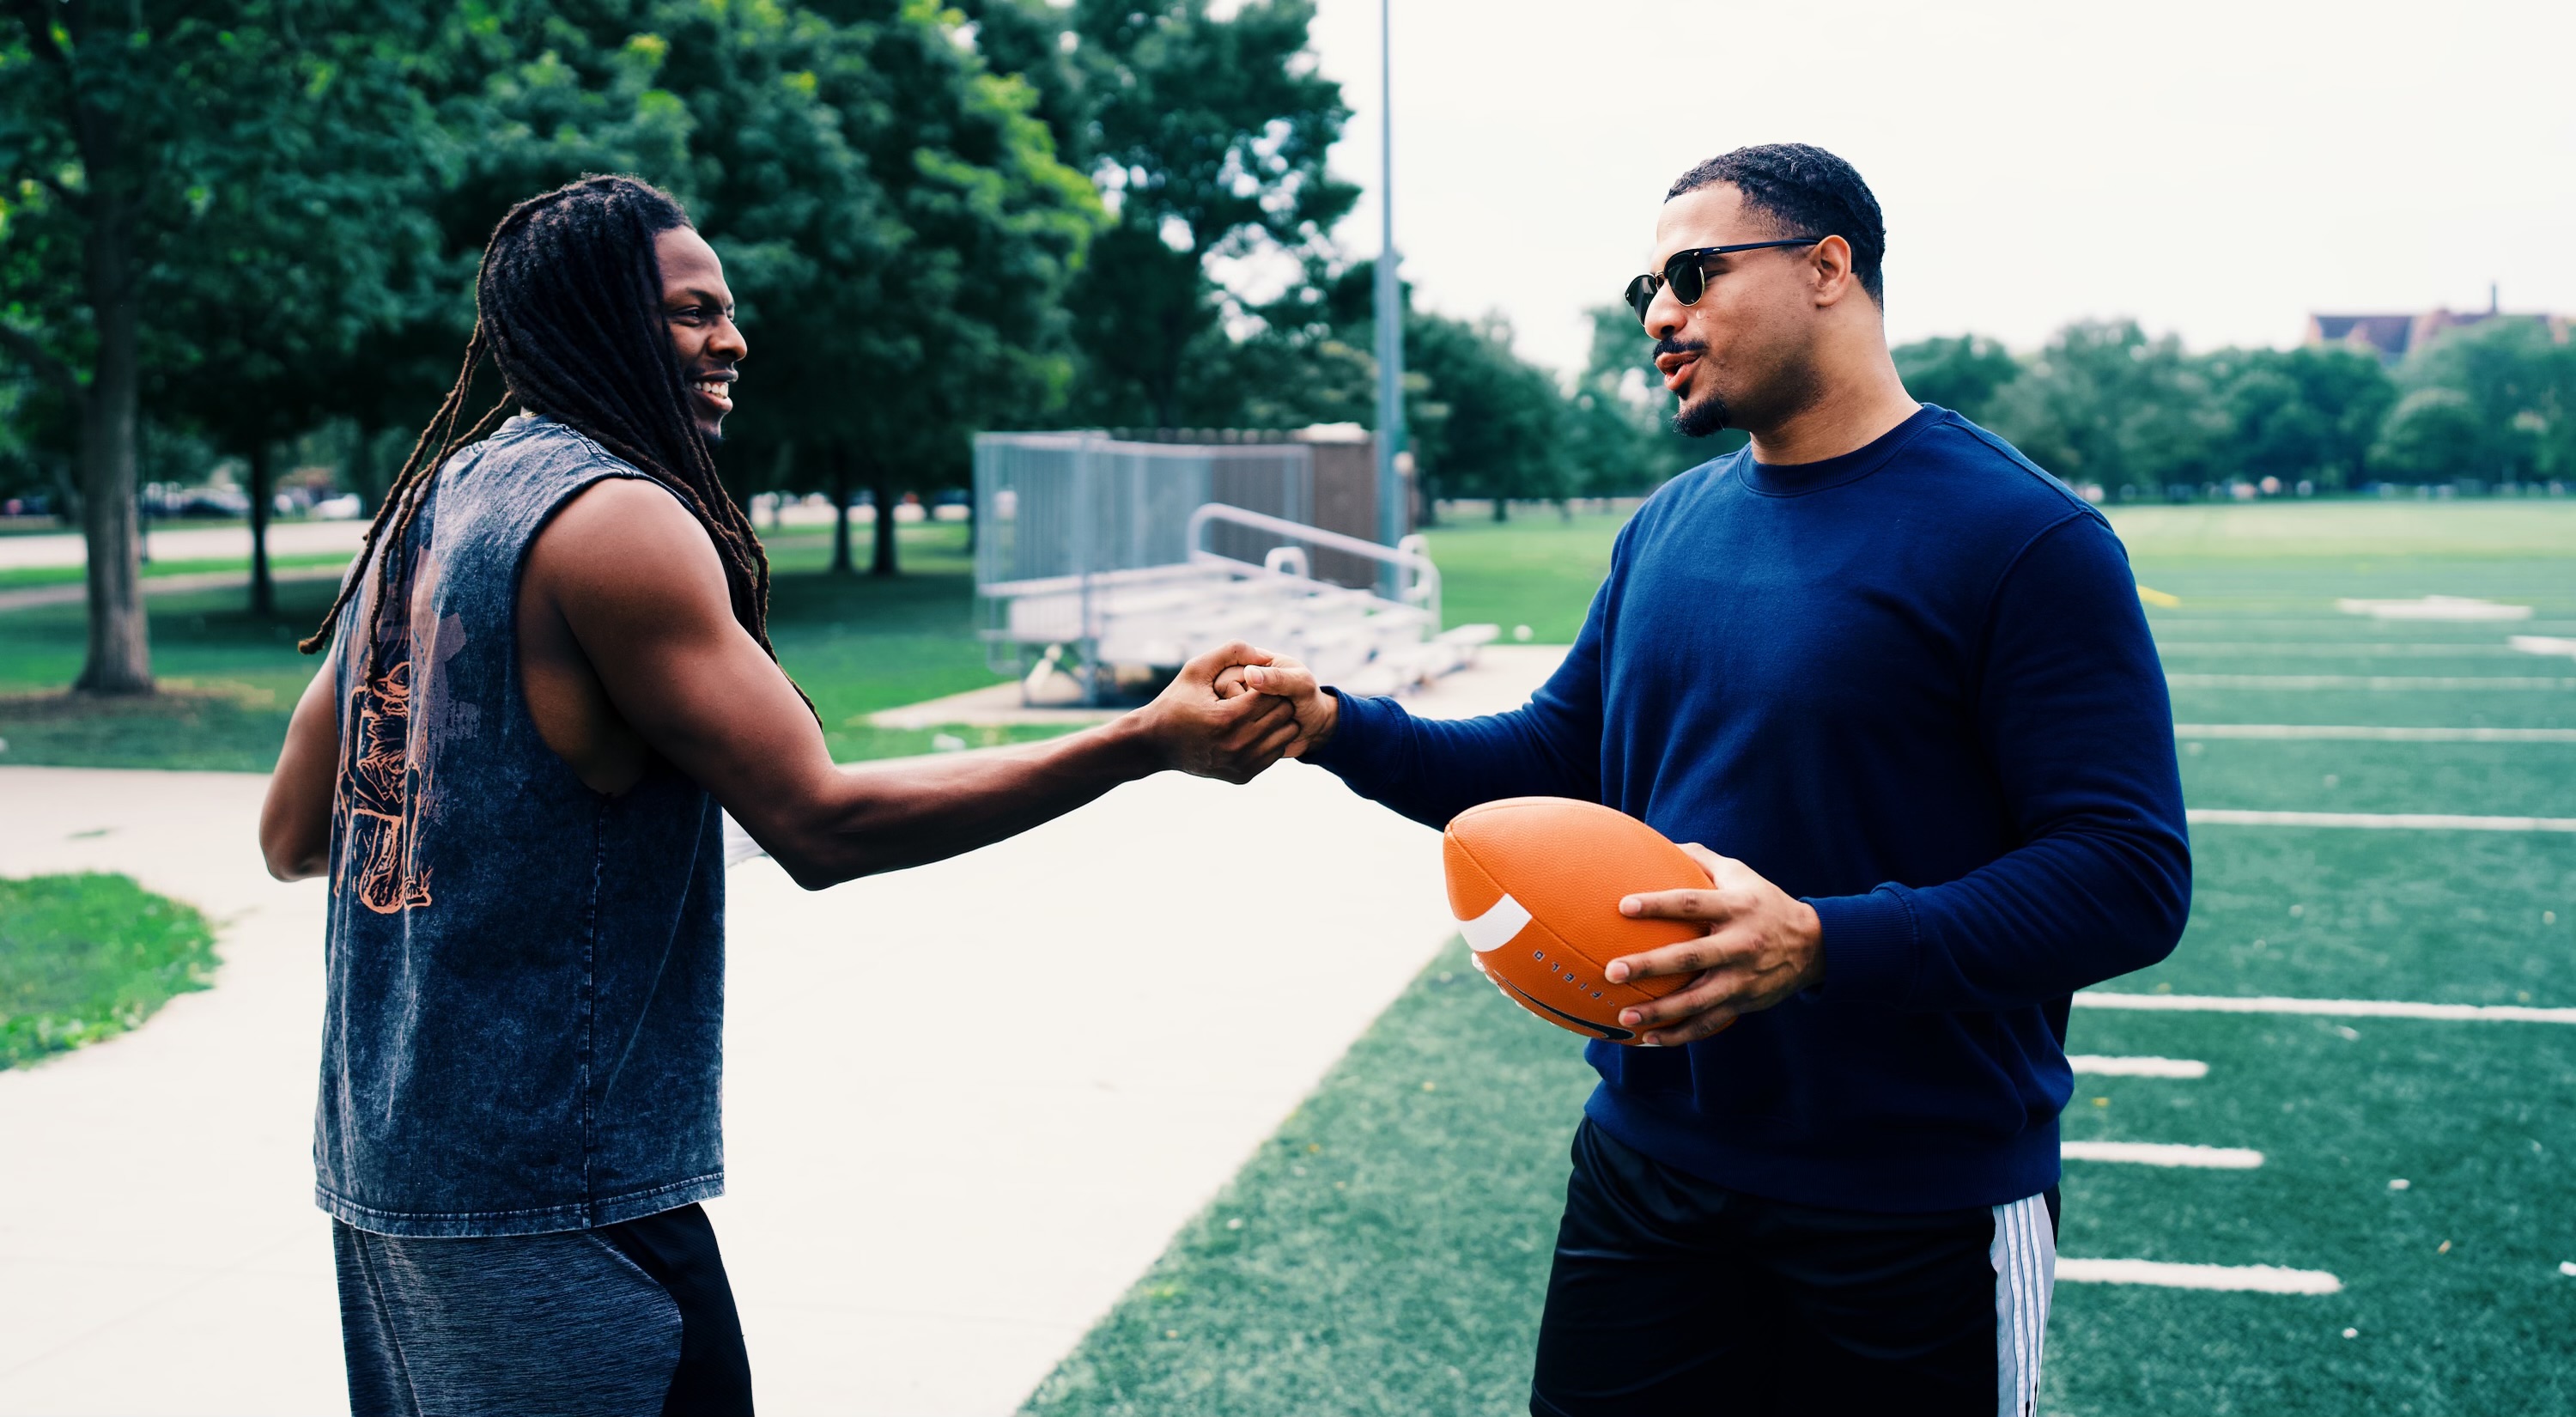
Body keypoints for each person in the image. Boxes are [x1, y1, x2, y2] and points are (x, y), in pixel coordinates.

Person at [256, 174, 1296, 1415]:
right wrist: (1142, 740)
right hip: (568, 1206)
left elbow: (292, 830)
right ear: (596, 319)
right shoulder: (614, 521)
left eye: (726, 310)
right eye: (692, 310)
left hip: (395, 1188)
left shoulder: (426, 509)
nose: (732, 337)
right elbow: (821, 820)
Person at [1228, 144, 2190, 1415]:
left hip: (1917, 1202)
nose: (1658, 316)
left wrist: (1820, 942)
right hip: (1650, 1172)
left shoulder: (2026, 539)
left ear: (1829, 268)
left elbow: (2126, 873)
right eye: (1644, 290)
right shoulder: (1670, 525)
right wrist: (1337, 724)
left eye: (1692, 274)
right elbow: (1552, 763)